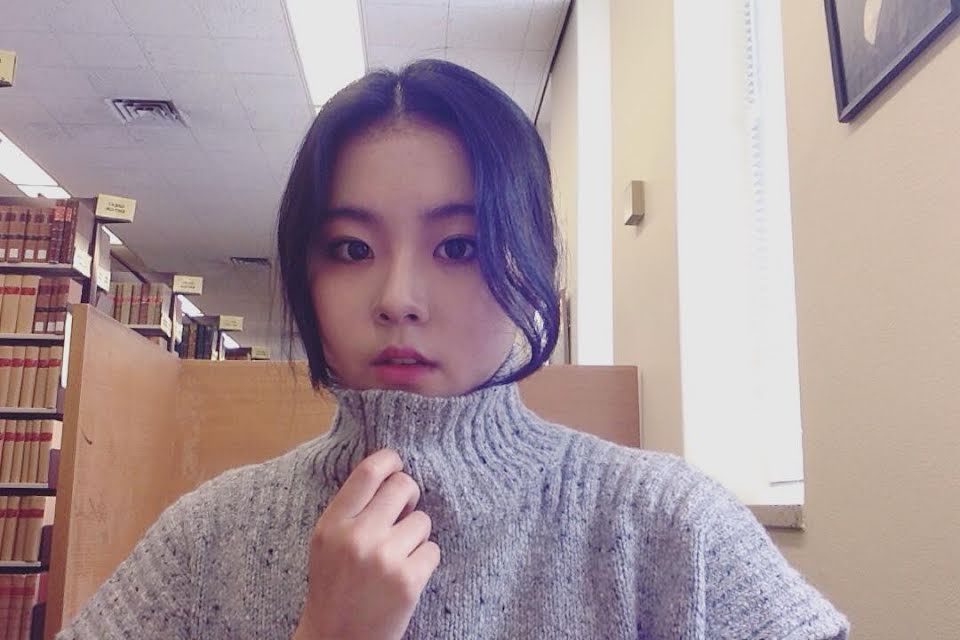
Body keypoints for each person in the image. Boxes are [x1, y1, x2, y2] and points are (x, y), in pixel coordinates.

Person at [56, 60, 850, 639]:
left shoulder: (668, 526)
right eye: (351, 248)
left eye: (460, 247)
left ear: (533, 264)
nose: (398, 297)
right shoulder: (210, 537)